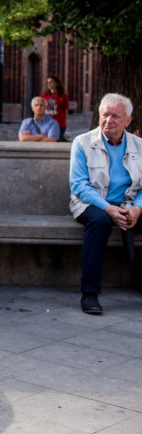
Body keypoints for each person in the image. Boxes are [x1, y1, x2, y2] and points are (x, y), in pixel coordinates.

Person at [69, 93, 142, 315]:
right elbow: (79, 185)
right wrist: (109, 208)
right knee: (100, 222)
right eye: (104, 115)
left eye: (115, 116)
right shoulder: (82, 143)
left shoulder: (139, 145)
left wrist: (137, 208)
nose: (109, 120)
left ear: (128, 121)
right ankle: (90, 293)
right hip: (92, 203)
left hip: (129, 204)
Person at [44, 75, 71, 141]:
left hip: (59, 123)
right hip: (47, 123)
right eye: (47, 83)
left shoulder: (63, 96)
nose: (49, 84)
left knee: (56, 141)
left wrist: (62, 119)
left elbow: (66, 110)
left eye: (51, 82)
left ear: (56, 83)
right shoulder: (44, 95)